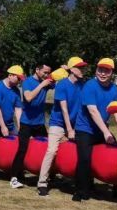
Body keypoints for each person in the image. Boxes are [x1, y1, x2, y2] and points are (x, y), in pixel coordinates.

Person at [72, 57, 117, 202]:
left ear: (112, 73)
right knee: (85, 159)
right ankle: (81, 191)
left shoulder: (114, 89)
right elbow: (93, 111)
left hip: (101, 129)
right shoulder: (90, 86)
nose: (103, 73)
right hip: (85, 129)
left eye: (106, 71)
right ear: (96, 70)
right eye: (100, 70)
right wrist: (106, 132)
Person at [37, 57, 87, 196]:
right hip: (58, 123)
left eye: (83, 67)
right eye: (80, 67)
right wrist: (69, 130)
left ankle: (82, 182)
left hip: (75, 124)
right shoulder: (62, 85)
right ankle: (42, 183)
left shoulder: (83, 85)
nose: (83, 70)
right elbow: (64, 109)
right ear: (72, 69)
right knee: (52, 151)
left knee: (83, 150)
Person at [8, 63, 52, 189]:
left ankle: (48, 176)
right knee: (22, 149)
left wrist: (65, 71)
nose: (46, 75)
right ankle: (14, 177)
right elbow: (28, 97)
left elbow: (59, 80)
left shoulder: (47, 81)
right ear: (37, 70)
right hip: (26, 122)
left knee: (47, 149)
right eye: (44, 72)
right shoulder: (28, 82)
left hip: (40, 123)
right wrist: (42, 85)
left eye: (48, 73)